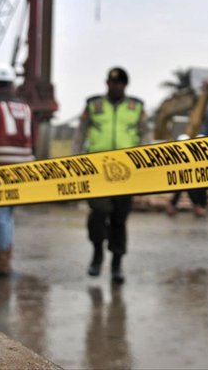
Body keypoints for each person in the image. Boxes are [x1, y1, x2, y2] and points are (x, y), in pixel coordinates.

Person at [73, 67, 148, 284]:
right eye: (111, 83)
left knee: (119, 218)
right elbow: (80, 133)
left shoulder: (137, 107)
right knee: (97, 213)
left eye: (119, 83)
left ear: (125, 85)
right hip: (97, 171)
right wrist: (75, 160)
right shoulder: (94, 105)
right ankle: (97, 254)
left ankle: (116, 263)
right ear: (107, 83)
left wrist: (144, 161)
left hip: (127, 172)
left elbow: (144, 134)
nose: (115, 86)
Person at [0, 63, 34, 277]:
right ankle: (5, 256)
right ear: (12, 84)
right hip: (22, 166)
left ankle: (1, 262)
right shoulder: (25, 107)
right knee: (8, 214)